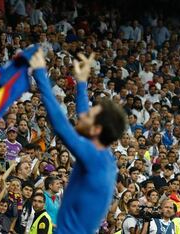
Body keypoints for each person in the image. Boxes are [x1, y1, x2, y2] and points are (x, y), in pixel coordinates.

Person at [30, 50, 127, 233]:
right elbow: (82, 115)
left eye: (89, 115)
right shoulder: (103, 155)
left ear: (96, 129)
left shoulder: (95, 158)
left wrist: (41, 74)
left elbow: (61, 126)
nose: (81, 116)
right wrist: (81, 82)